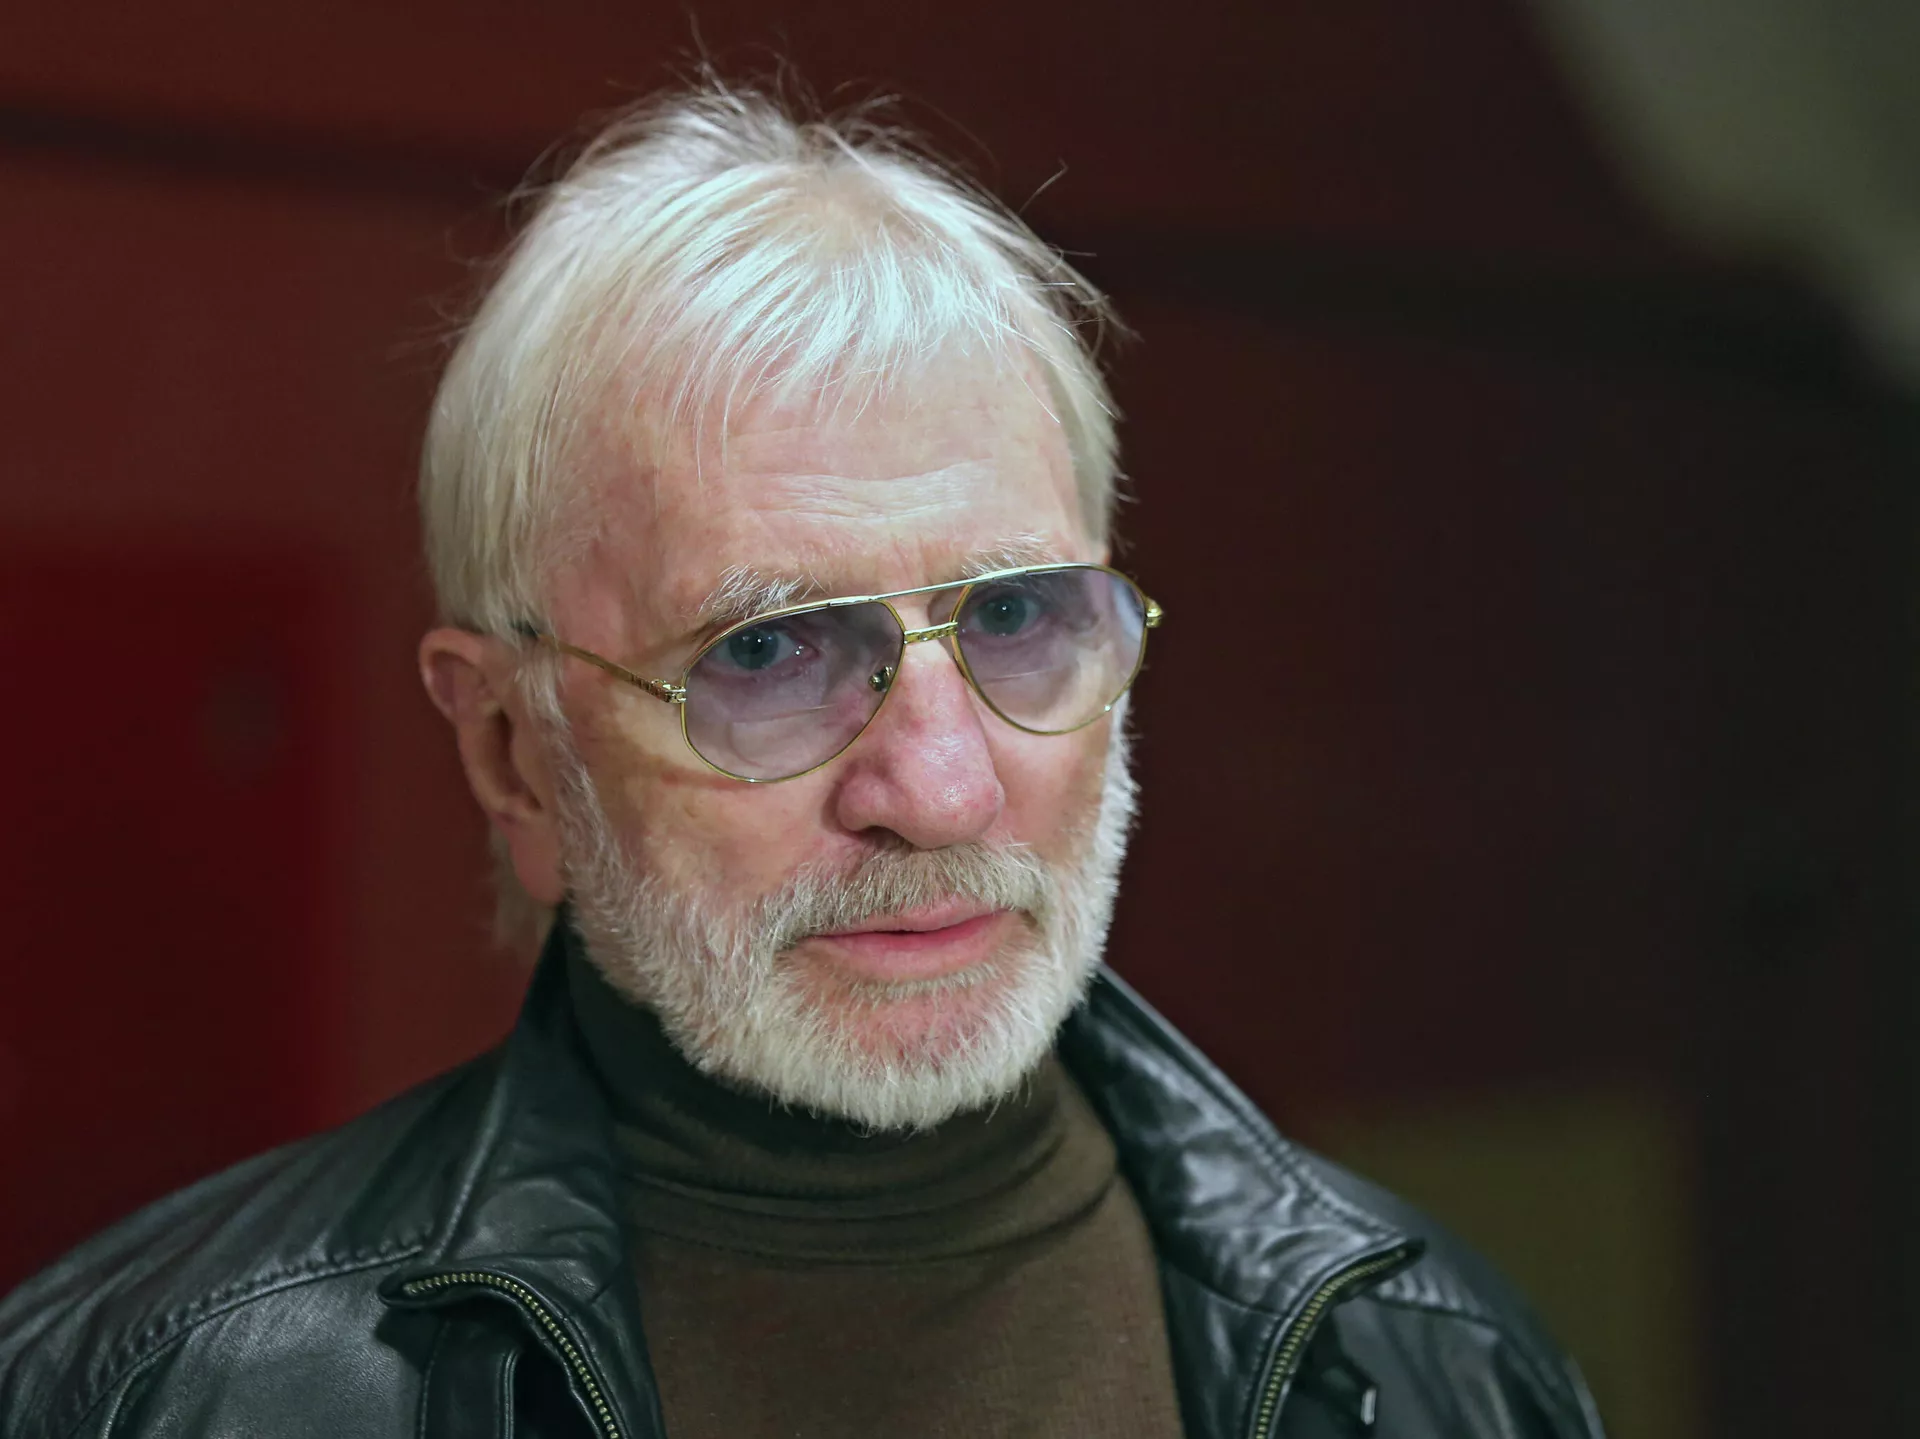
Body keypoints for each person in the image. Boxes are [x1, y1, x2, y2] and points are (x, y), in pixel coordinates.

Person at [0, 82, 1605, 1439]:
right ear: (512, 749)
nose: (943, 790)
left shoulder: (1433, 1363)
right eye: (768, 652)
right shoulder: (168, 1392)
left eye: (1016, 617)